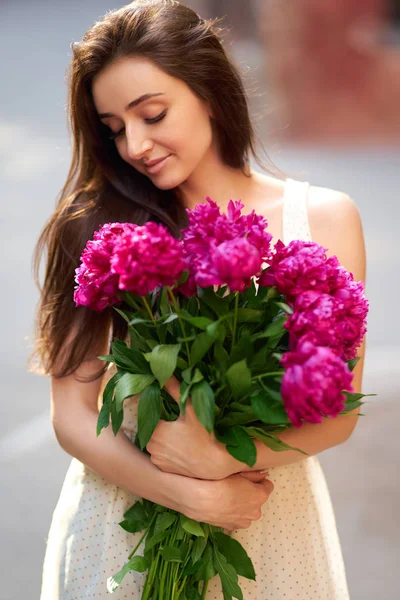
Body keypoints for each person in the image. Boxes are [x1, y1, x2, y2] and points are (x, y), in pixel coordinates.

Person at [32, 1, 366, 598]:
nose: (134, 144)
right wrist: (189, 492)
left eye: (152, 114)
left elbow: (338, 412)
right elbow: (73, 415)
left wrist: (220, 462)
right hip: (124, 524)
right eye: (113, 128)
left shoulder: (321, 219)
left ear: (209, 91)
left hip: (265, 519)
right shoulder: (99, 226)